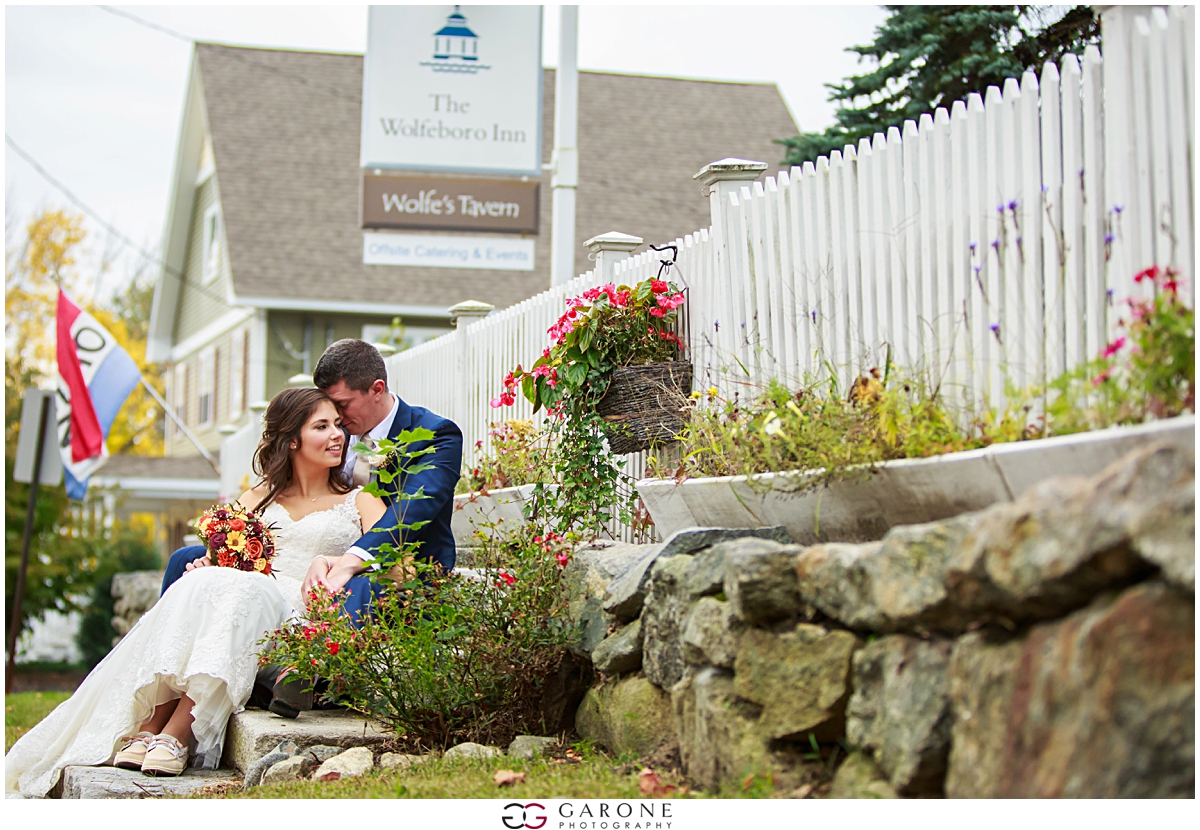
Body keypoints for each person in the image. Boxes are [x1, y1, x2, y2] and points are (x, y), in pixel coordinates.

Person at [5, 388, 386, 798]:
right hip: (244, 605)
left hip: (294, 619)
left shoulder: (359, 500)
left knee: (245, 590)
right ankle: (151, 730)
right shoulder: (256, 498)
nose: (338, 436)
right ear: (292, 439)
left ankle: (175, 731)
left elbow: (393, 558)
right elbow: (221, 556)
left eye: (337, 425)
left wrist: (333, 561)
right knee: (206, 580)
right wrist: (206, 564)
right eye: (322, 426)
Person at [159, 338, 463, 715]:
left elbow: (414, 509)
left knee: (361, 580)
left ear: (377, 390)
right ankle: (168, 664)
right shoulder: (339, 434)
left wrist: (349, 559)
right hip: (309, 568)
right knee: (187, 560)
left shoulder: (434, 435)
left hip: (396, 573)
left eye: (342, 409)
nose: (336, 425)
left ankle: (308, 668)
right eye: (327, 417)